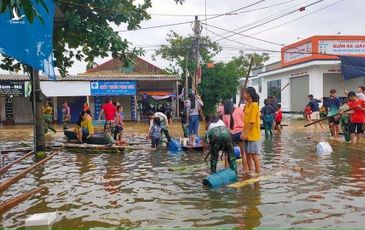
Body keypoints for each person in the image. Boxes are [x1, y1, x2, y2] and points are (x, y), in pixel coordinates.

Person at [222, 99, 248, 173]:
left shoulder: (225, 113)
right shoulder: (239, 110)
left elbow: (225, 126)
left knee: (227, 155)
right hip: (240, 134)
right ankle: (245, 171)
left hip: (230, 135)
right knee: (243, 154)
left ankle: (226, 171)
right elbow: (244, 121)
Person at [241, 87, 261, 174]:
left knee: (254, 155)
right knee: (247, 154)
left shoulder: (254, 105)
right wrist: (243, 132)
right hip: (246, 134)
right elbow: (245, 121)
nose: (243, 95)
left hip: (253, 135)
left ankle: (257, 173)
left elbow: (252, 122)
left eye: (244, 93)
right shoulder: (247, 106)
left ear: (249, 94)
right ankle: (250, 172)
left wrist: (246, 133)